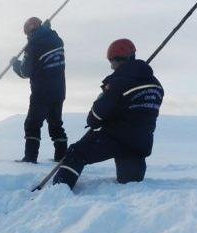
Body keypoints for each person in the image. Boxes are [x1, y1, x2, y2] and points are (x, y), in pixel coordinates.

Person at [53, 38, 164, 190]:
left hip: (116, 137)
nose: (111, 66)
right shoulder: (156, 85)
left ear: (117, 59)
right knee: (130, 184)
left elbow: (95, 118)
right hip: (140, 143)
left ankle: (59, 190)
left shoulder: (119, 82)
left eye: (111, 61)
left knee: (76, 153)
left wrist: (103, 97)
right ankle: (132, 178)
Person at [11, 17, 68, 164]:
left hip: (42, 92)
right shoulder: (57, 40)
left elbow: (26, 71)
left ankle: (30, 158)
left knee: (32, 124)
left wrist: (15, 64)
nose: (27, 37)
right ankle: (61, 156)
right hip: (59, 91)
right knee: (56, 124)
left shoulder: (33, 45)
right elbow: (46, 39)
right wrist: (46, 29)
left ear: (30, 30)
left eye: (27, 34)